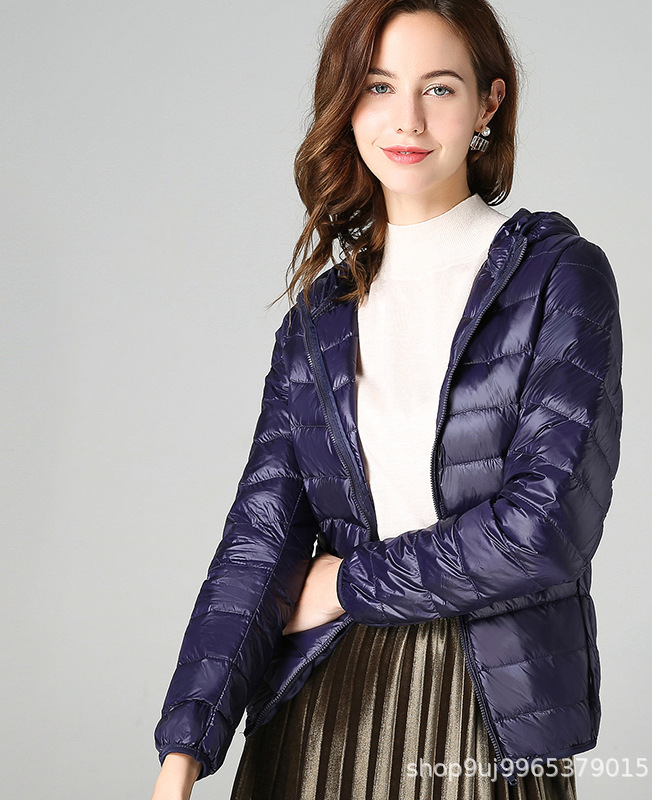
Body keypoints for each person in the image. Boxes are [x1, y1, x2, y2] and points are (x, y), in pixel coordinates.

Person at [150, 0, 622, 798]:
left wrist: (346, 583)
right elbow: (259, 537)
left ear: (488, 103)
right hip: (320, 709)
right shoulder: (318, 317)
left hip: (489, 708)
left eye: (438, 88)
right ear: (348, 102)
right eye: (378, 86)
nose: (407, 119)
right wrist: (182, 754)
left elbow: (544, 529)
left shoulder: (557, 278)